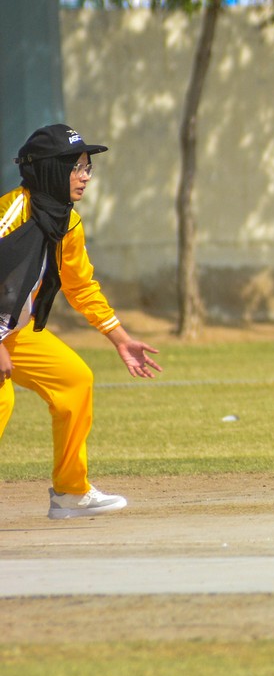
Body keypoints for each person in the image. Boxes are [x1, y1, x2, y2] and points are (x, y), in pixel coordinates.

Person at [0, 124, 162, 519]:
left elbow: (81, 287)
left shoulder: (66, 222)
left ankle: (71, 493)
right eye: (76, 167)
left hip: (14, 331)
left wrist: (120, 338)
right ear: (50, 169)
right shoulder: (12, 213)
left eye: (88, 167)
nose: (85, 176)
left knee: (74, 381)